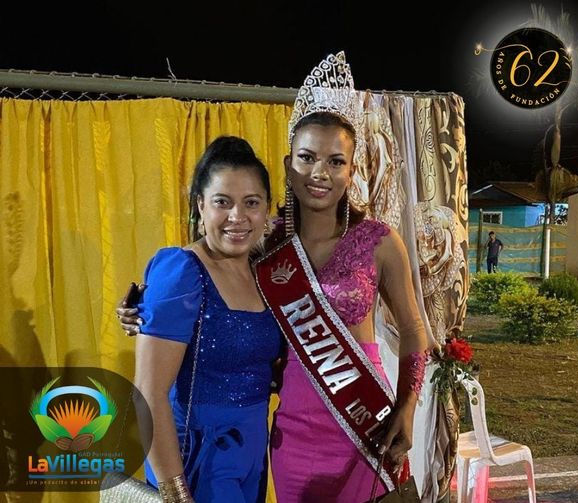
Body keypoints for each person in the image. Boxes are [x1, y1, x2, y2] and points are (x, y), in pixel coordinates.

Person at [119, 52, 431, 502]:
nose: (320, 172)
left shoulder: (380, 241)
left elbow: (415, 329)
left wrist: (407, 406)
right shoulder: (265, 247)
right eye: (307, 157)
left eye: (335, 161)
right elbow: (203, 286)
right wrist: (142, 310)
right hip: (292, 431)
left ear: (352, 170)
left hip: (364, 419)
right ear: (288, 166)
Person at [124, 136, 282, 503]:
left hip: (251, 452)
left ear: (267, 210)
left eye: (251, 203)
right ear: (200, 205)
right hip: (197, 458)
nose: (237, 217)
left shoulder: (264, 271)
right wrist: (176, 493)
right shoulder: (182, 271)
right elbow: (148, 394)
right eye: (222, 202)